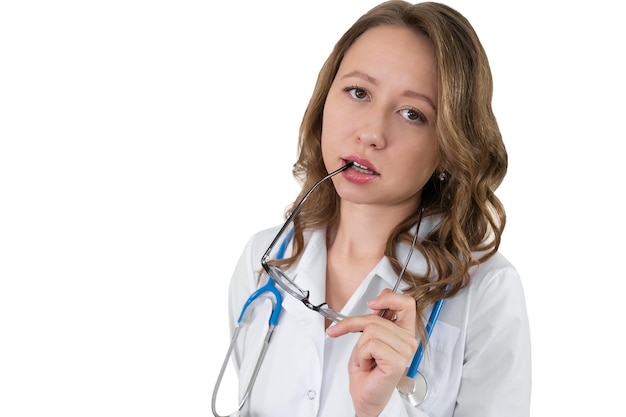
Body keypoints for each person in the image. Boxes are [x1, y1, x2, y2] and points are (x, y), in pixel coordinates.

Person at [214, 1, 531, 416]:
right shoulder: (264, 260)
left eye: (412, 114)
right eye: (358, 92)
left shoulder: (487, 292)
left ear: (450, 149)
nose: (372, 133)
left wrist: (375, 409)